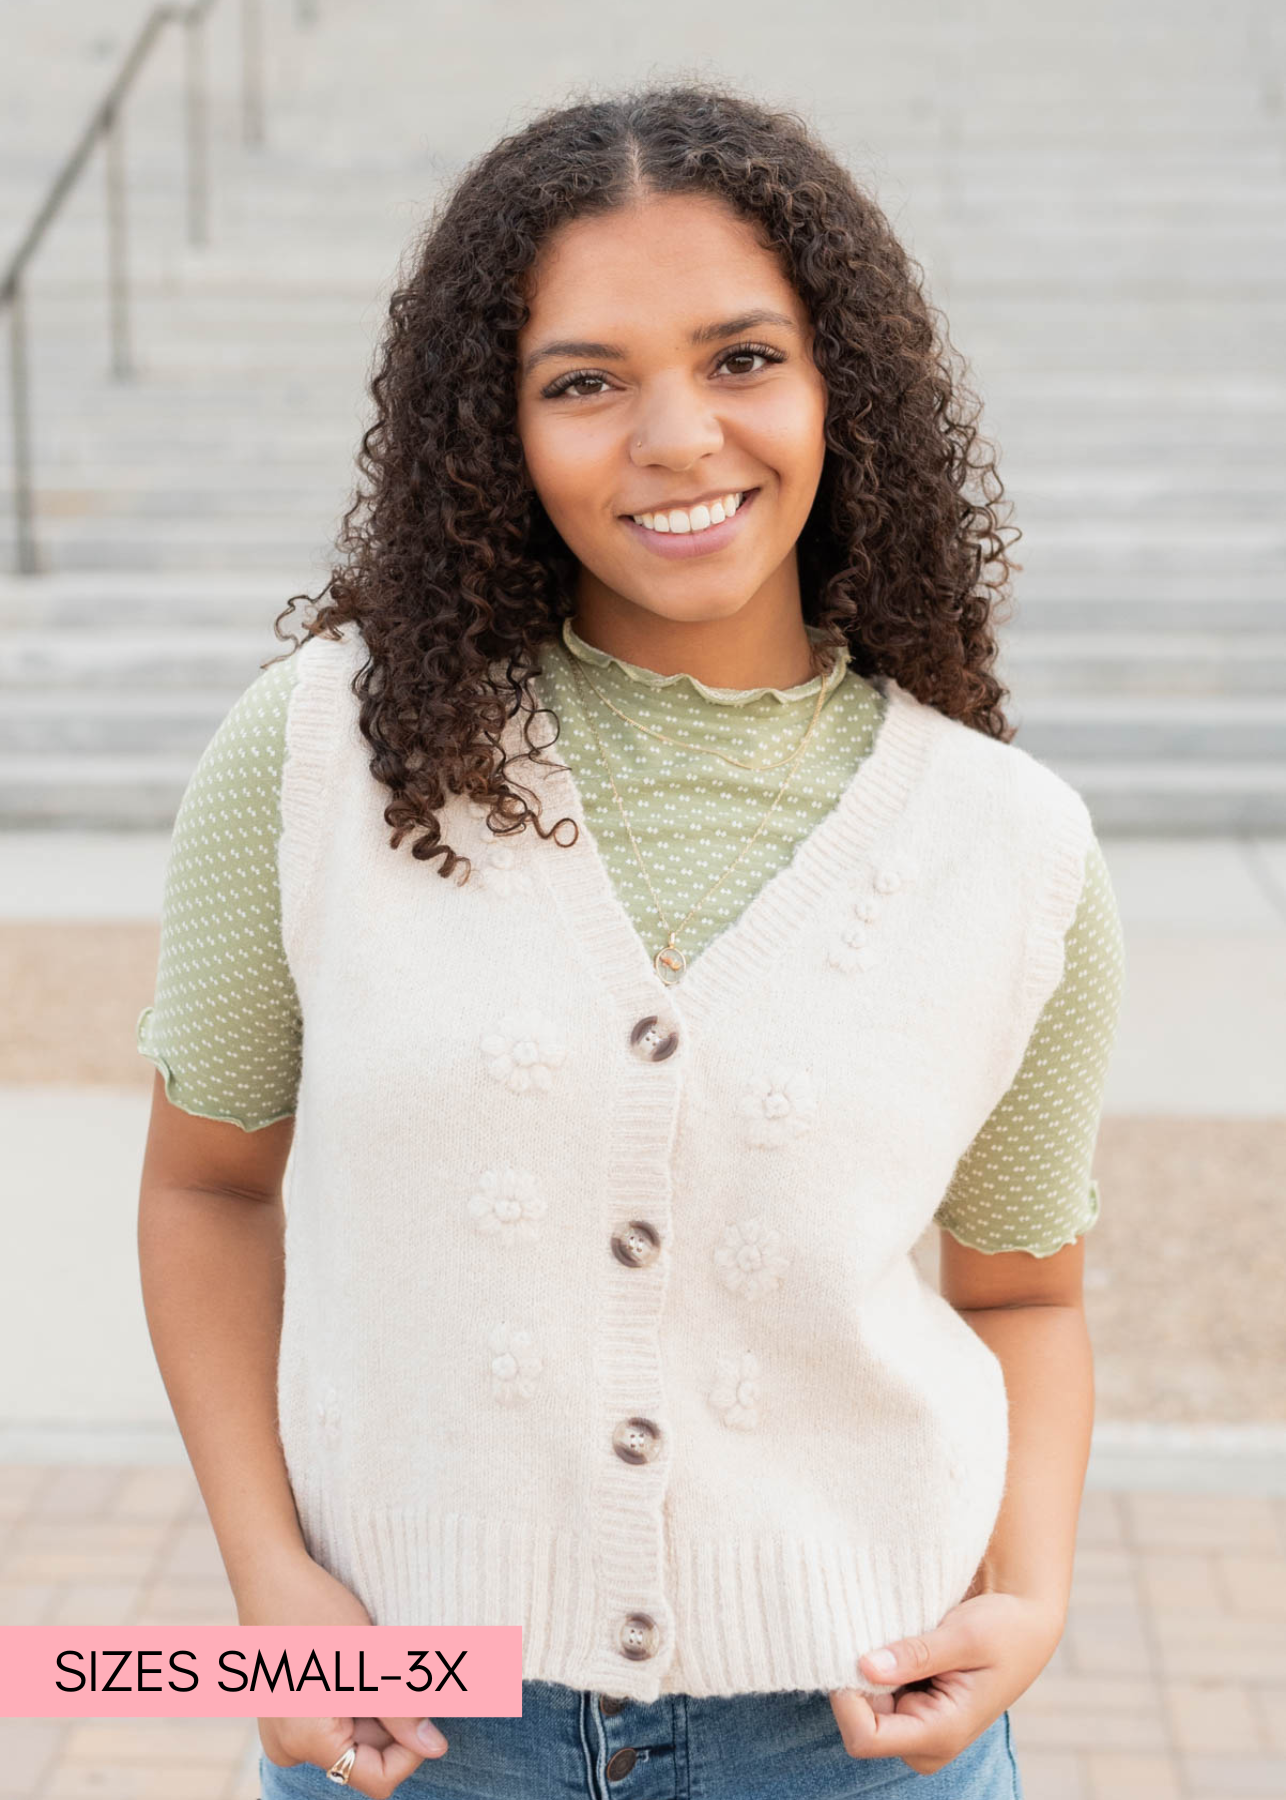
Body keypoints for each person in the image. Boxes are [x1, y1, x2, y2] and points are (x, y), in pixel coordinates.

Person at [136, 80, 1125, 1800]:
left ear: (842, 391)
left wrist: (1026, 1593)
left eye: (742, 358)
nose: (676, 438)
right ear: (489, 433)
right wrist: (270, 1594)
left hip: (856, 1736)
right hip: (418, 1728)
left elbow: (1025, 1293)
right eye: (584, 382)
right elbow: (208, 1185)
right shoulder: (314, 757)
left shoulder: (1009, 846)